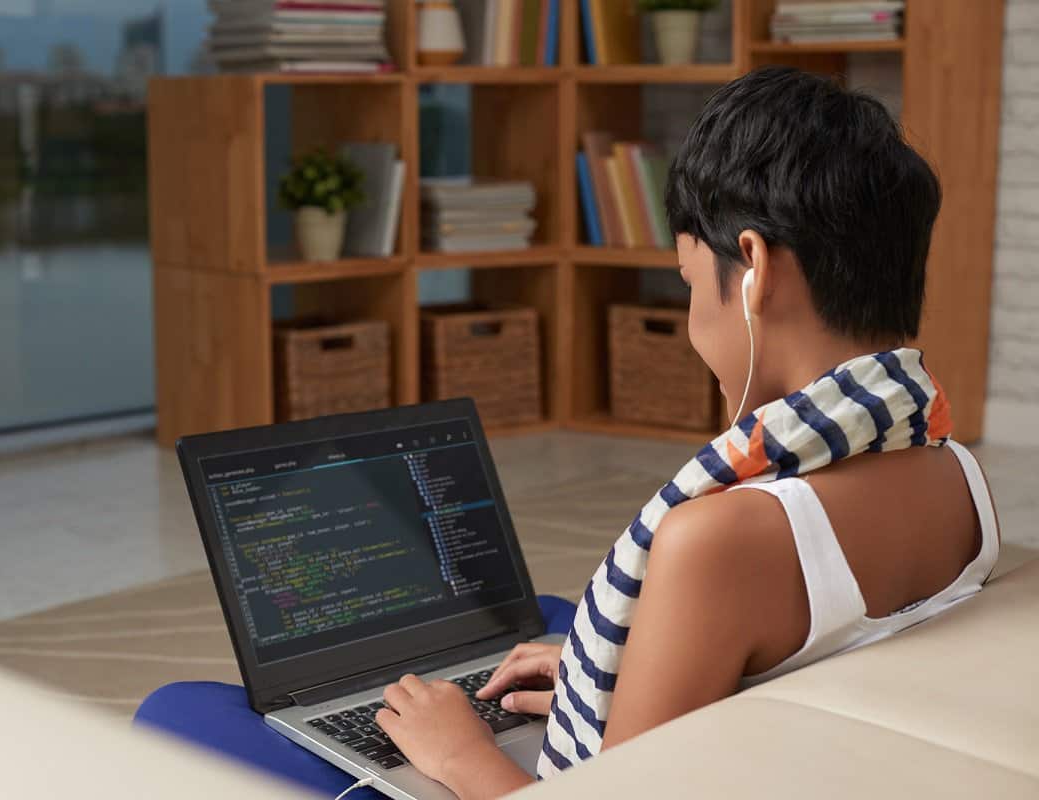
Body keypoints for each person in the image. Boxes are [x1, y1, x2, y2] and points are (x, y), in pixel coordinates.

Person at [373, 66, 999, 798]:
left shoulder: (721, 538)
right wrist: (594, 675)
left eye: (690, 283)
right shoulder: (959, 471)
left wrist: (457, 752)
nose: (695, 325)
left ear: (754, 269)